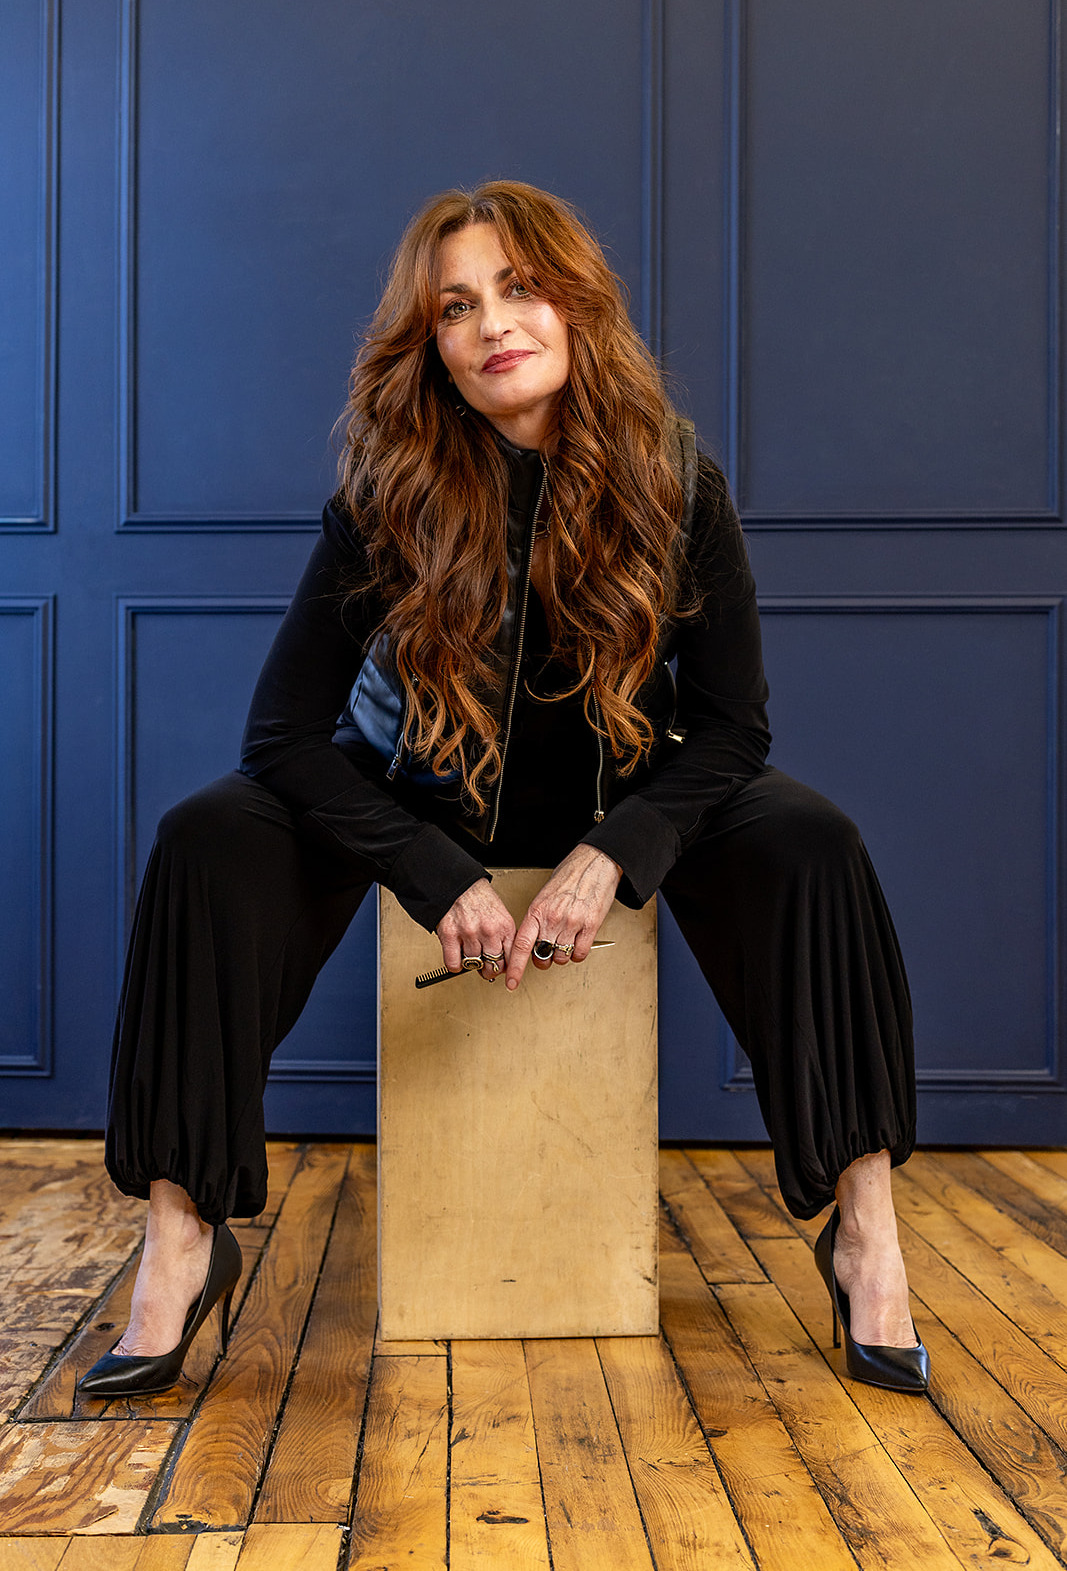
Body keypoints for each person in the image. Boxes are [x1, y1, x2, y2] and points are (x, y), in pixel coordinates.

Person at [81, 180, 928, 1399]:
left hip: (629, 788)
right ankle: (178, 1235)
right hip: (416, 797)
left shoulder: (675, 484)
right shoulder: (387, 497)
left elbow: (733, 727)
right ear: (428, 343)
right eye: (455, 307)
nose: (491, 324)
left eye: (518, 289)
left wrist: (617, 850)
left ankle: (862, 1229)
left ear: (575, 305)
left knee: (814, 844)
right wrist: (432, 873)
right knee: (204, 837)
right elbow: (283, 735)